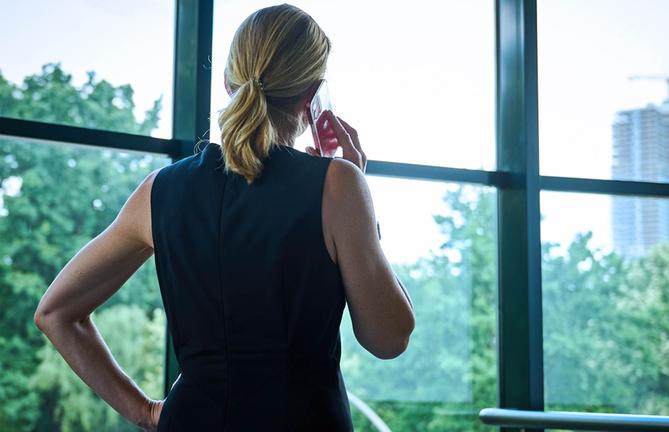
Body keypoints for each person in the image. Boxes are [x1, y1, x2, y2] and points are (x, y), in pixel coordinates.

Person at [32, 4, 416, 431]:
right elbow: (388, 339)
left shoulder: (159, 191)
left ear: (227, 82)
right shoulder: (337, 185)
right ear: (313, 97)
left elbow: (55, 313)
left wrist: (145, 412)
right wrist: (360, 203)